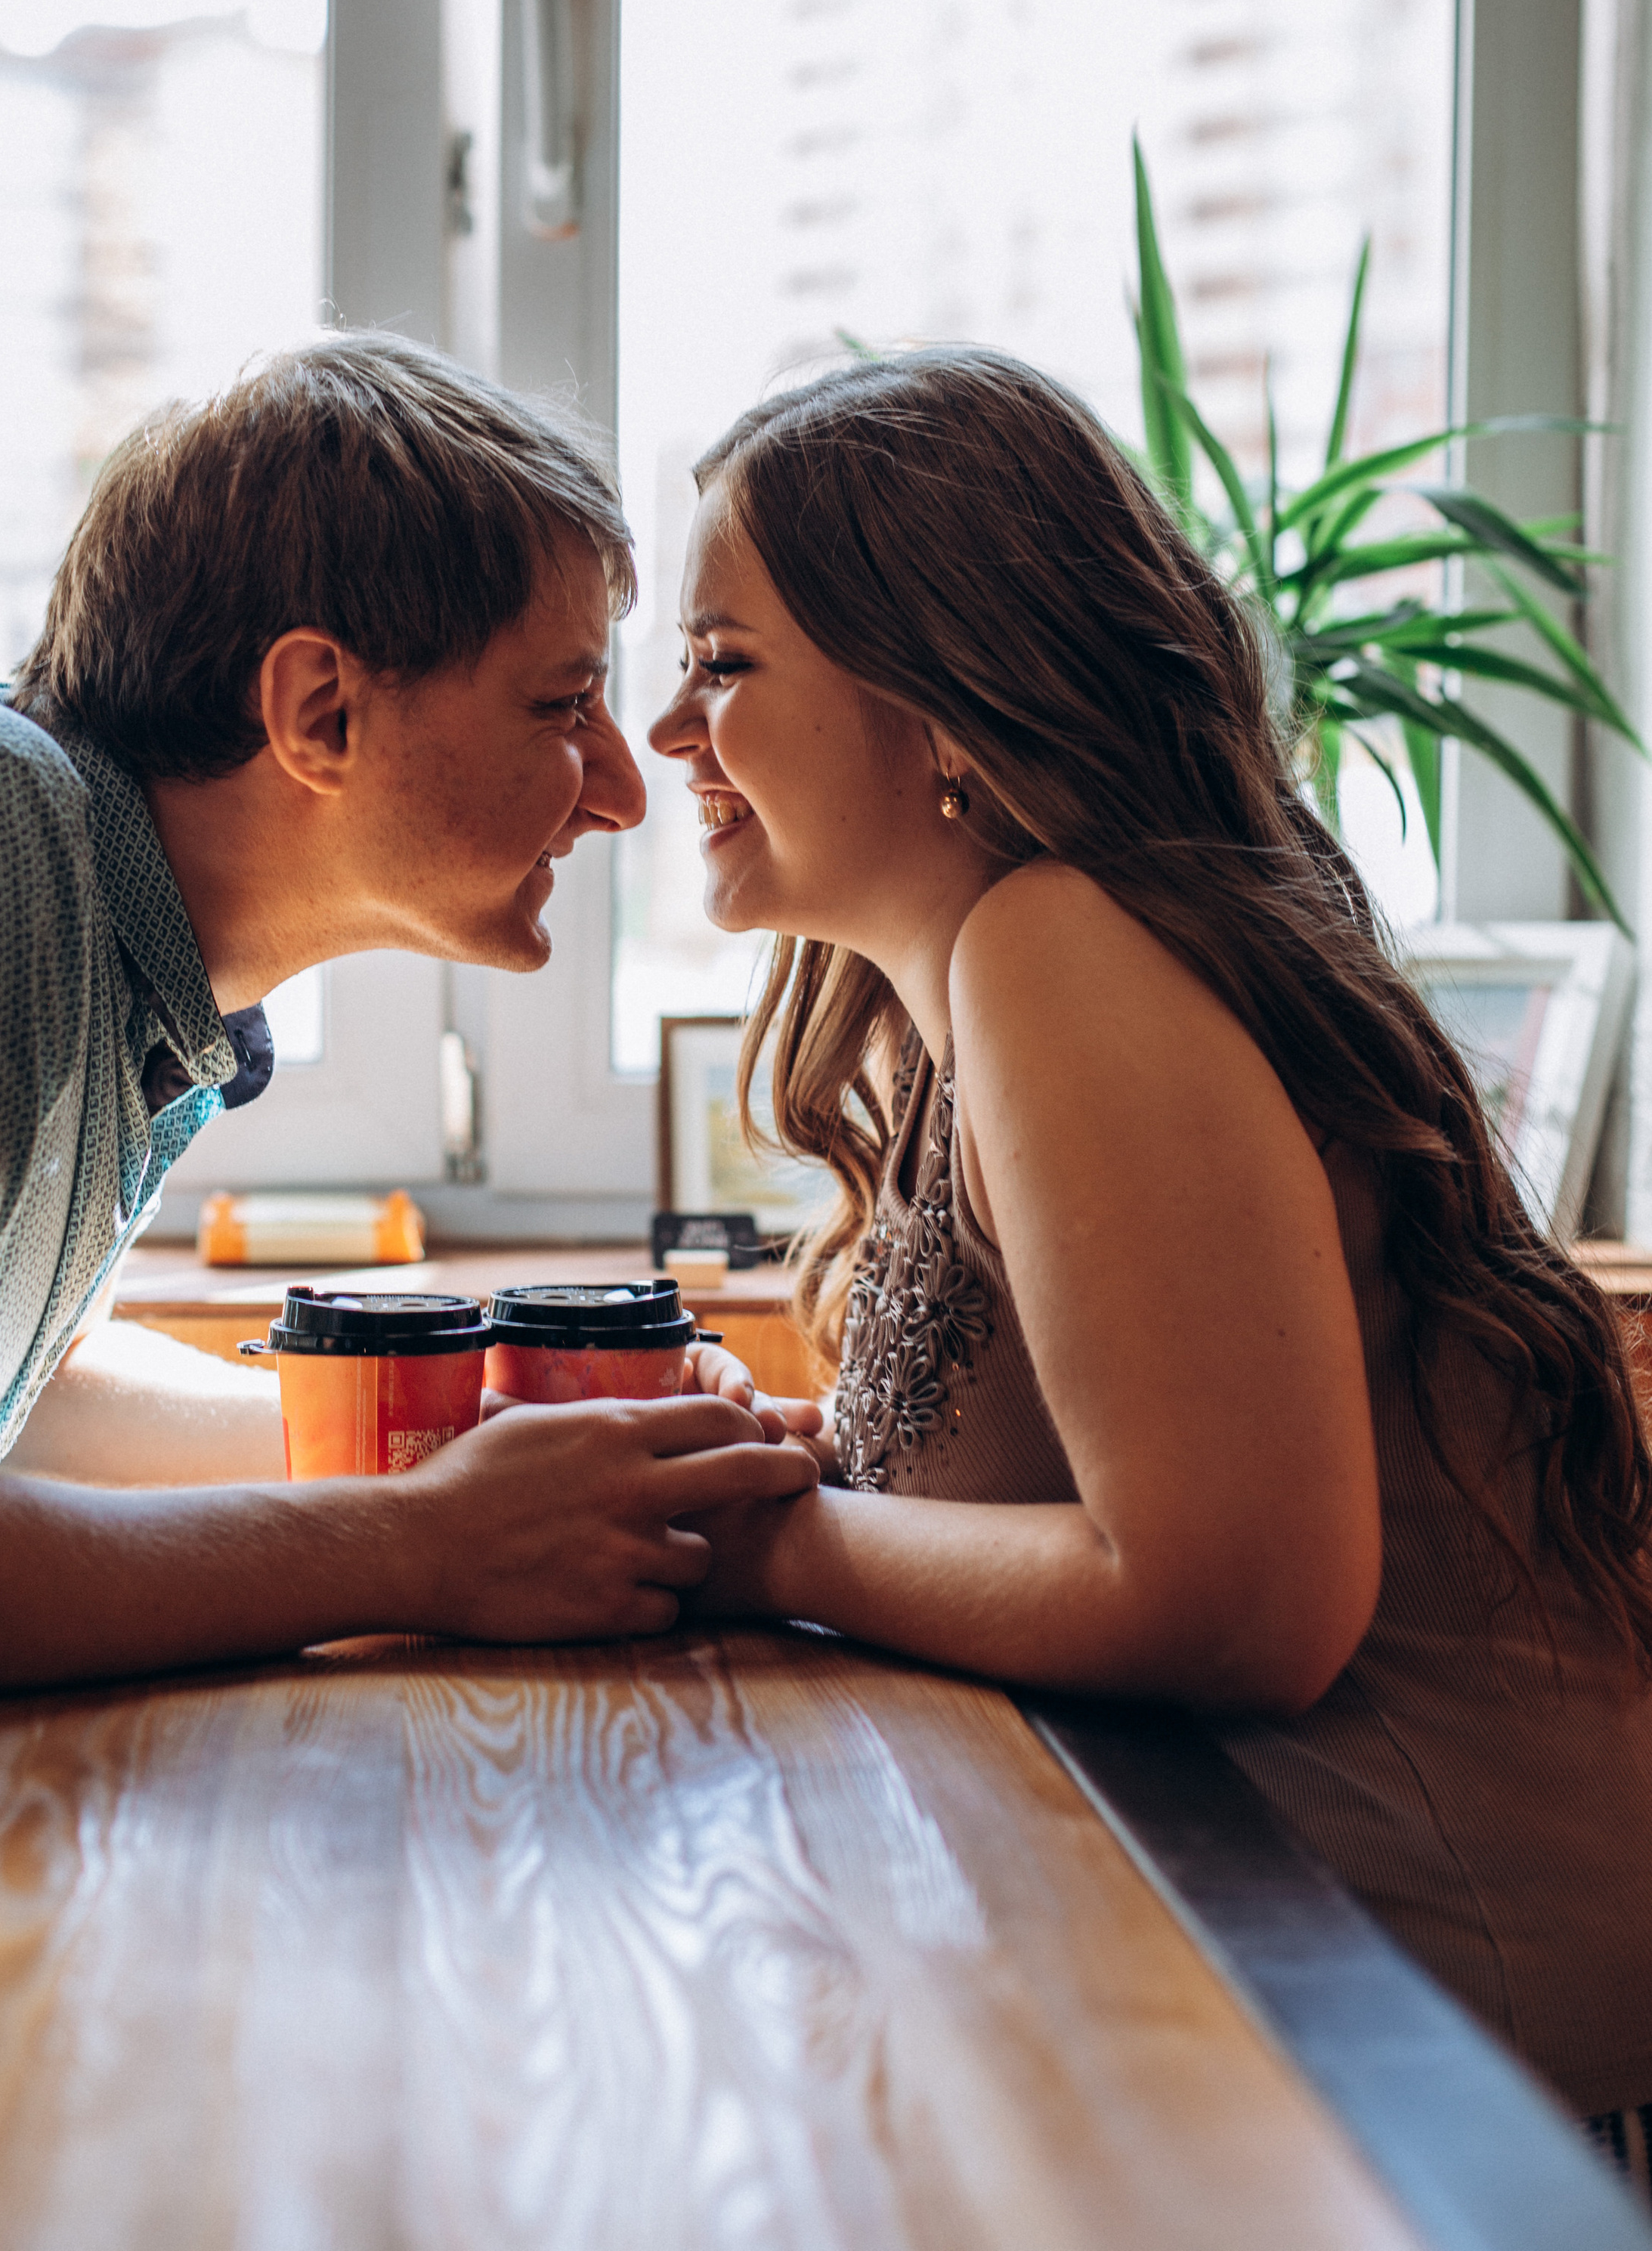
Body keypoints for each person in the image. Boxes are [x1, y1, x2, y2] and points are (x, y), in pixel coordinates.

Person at [651, 346, 1652, 2144]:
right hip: (1235, 1974)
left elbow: (1233, 1603)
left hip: (1431, 2063)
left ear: (943, 695)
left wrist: (765, 1544)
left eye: (722, 666)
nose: (668, 734)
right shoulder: (973, 997)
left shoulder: (1060, 952)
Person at [0, 336, 816, 1750]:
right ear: (319, 711)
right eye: (560, 704)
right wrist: (422, 1546)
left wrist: (470, 1451)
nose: (618, 790)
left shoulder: (106, 935)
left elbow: (1, 1397)